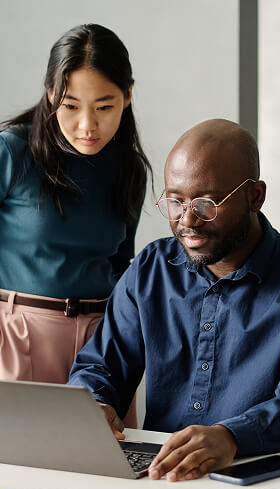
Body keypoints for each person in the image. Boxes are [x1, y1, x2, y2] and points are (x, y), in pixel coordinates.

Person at [68, 118, 280, 481]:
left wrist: (232, 437)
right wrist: (94, 403)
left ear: (255, 196)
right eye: (175, 201)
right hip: (165, 479)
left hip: (269, 480)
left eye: (207, 203)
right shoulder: (151, 269)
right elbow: (101, 365)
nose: (187, 219)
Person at [0, 24, 151, 426]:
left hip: (102, 345)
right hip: (19, 336)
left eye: (104, 107)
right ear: (50, 94)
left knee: (108, 465)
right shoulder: (12, 152)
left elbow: (123, 265)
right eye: (70, 106)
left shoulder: (128, 170)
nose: (88, 125)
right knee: (20, 467)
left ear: (128, 96)